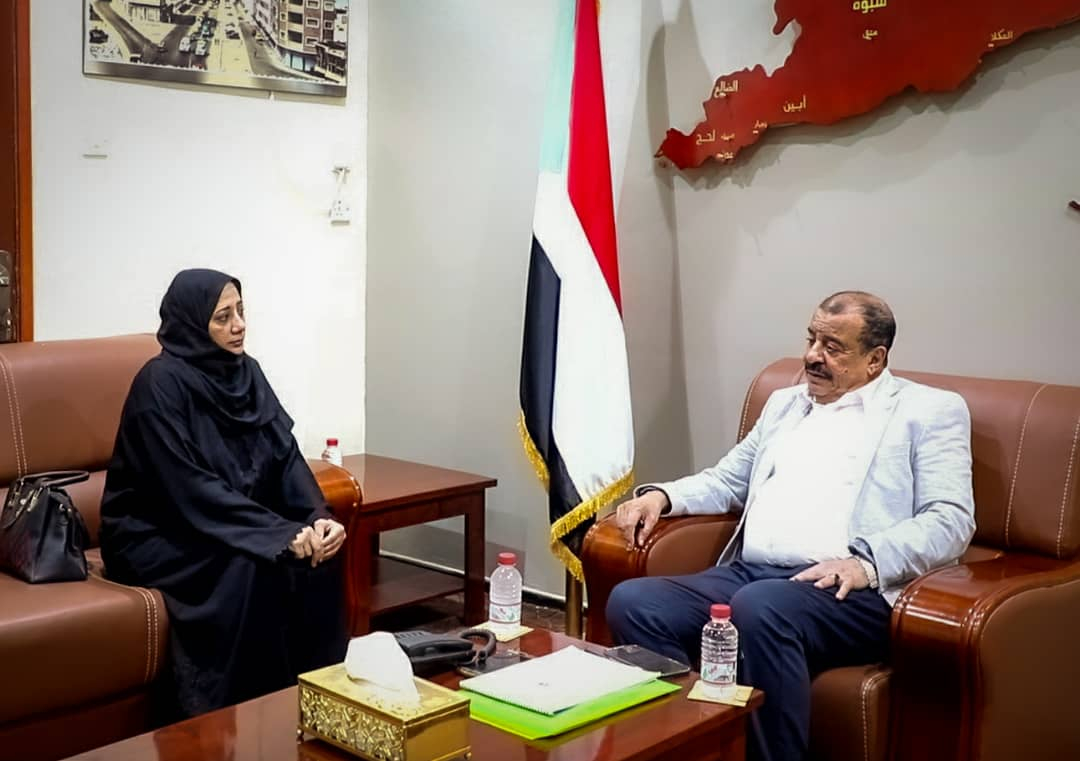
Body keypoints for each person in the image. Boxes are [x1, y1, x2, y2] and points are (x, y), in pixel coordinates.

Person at [607, 291, 975, 761]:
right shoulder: (786, 403)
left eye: (833, 347)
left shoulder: (928, 411)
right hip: (752, 576)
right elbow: (729, 479)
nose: (813, 356)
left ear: (875, 359)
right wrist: (662, 496)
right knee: (636, 602)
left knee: (762, 607)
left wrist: (864, 564)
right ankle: (692, 748)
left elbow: (950, 518)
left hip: (850, 590)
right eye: (812, 339)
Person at [101, 268, 349, 719]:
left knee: (319, 558)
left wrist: (317, 517)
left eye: (241, 311)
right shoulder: (158, 384)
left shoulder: (245, 372)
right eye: (223, 317)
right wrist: (275, 534)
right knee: (252, 563)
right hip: (156, 531)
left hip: (228, 518)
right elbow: (188, 487)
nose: (239, 325)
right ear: (193, 322)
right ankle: (228, 719)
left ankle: (318, 706)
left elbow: (284, 456)